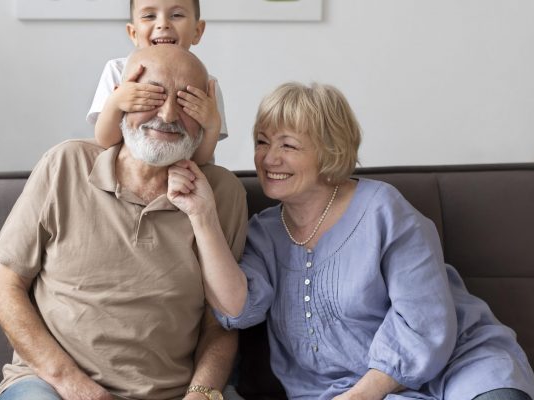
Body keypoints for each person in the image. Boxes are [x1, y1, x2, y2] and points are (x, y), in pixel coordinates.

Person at [167, 82, 534, 400]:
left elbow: (426, 323)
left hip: (458, 368)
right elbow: (235, 311)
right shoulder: (264, 231)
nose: (269, 158)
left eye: (289, 145)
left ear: (329, 150)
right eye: (261, 142)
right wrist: (202, 216)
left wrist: (363, 394)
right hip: (340, 389)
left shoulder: (383, 210)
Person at [0, 45, 247, 400]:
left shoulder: (221, 192)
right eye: (152, 96)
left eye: (186, 102)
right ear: (122, 99)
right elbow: (3, 289)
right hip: (51, 386)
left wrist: (202, 392)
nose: (168, 114)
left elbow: (221, 324)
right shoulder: (65, 164)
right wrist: (71, 383)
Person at [88, 0, 226, 166]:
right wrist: (116, 103)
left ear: (197, 31)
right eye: (149, 16)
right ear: (133, 33)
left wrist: (212, 126)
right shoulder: (117, 70)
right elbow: (105, 141)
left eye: (176, 15)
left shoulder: (207, 83)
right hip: (128, 172)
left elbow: (200, 160)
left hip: (182, 175)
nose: (163, 24)